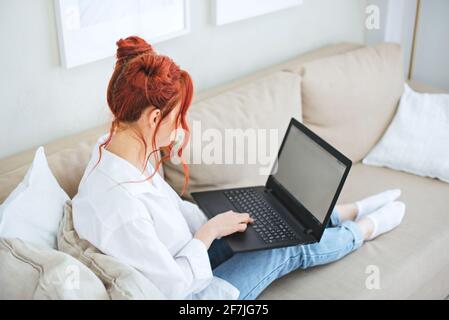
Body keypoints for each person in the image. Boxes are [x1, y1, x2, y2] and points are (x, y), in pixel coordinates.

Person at [72, 36, 406, 300]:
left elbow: (172, 215)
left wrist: (221, 220)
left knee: (269, 222)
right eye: (178, 118)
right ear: (154, 118)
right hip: (191, 292)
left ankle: (342, 213)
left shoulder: (115, 148)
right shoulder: (121, 207)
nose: (181, 128)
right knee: (284, 250)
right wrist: (208, 233)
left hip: (188, 253)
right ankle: (362, 230)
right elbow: (174, 288)